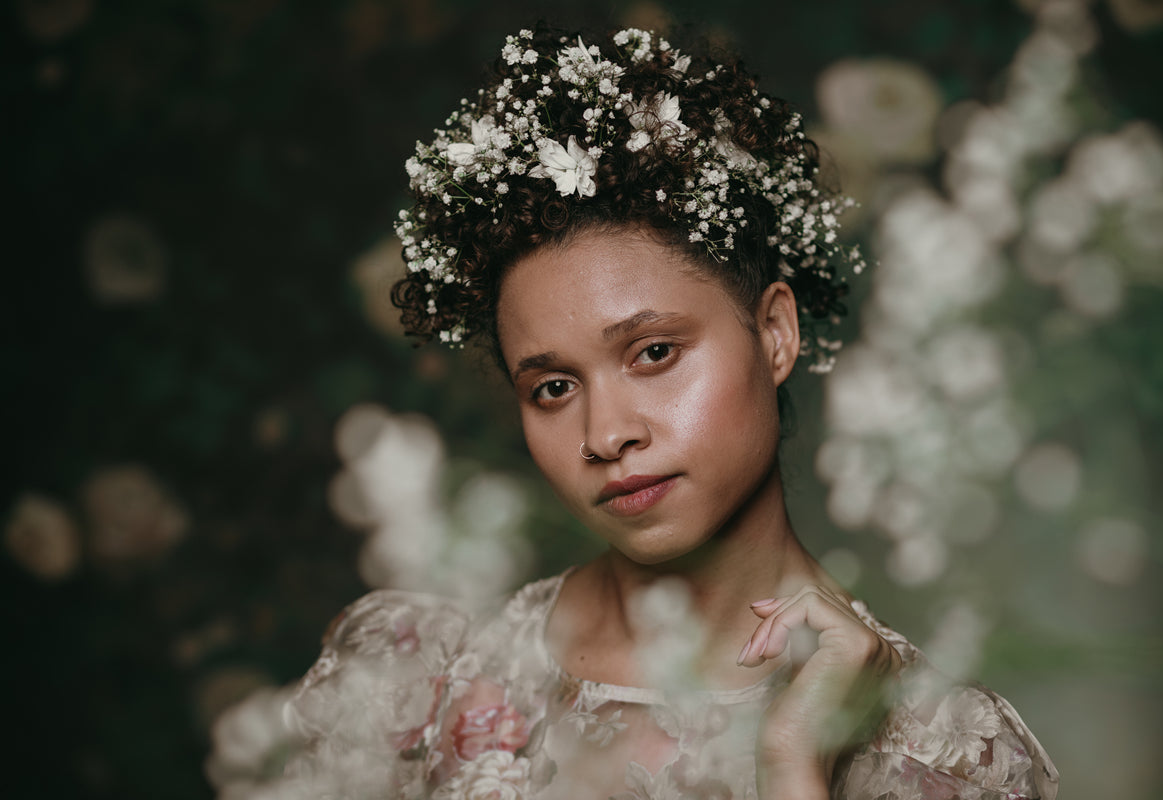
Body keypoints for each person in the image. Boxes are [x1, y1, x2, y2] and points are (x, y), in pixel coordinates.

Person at [283, 25, 1059, 800]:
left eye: (653, 353)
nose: (606, 435)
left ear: (775, 333)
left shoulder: (945, 759)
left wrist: (791, 766)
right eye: (553, 387)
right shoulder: (423, 684)